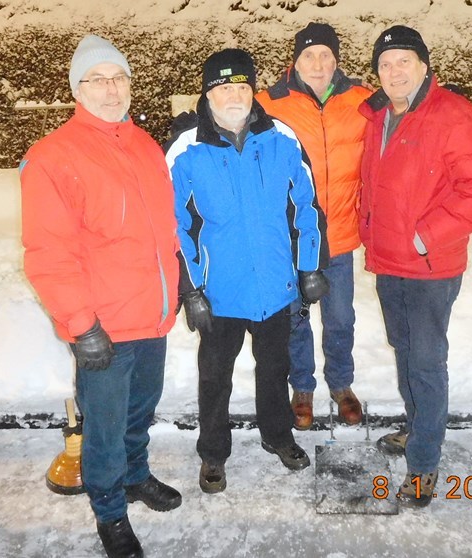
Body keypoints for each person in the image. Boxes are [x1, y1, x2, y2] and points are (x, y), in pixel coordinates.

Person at [20, 34, 181, 558]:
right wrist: (80, 324)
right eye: (98, 79)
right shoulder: (53, 156)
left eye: (119, 78)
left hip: (151, 315)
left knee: (141, 410)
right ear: (77, 89)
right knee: (105, 428)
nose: (111, 90)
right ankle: (110, 512)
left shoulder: (145, 145)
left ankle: (135, 475)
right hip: (102, 326)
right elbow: (49, 252)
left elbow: (164, 231)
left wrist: (178, 285)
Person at [165, 48, 329, 494]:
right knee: (215, 377)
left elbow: (307, 207)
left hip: (276, 285)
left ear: (253, 90)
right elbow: (174, 227)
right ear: (207, 94)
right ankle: (213, 452)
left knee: (274, 369)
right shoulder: (186, 150)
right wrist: (191, 291)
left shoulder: (281, 137)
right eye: (223, 87)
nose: (233, 95)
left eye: (241, 86)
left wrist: (310, 267)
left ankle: (278, 435)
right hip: (219, 292)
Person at [358, 25, 472, 507]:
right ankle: (418, 427)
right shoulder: (379, 116)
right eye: (385, 64)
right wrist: (370, 230)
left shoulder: (454, 115)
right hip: (389, 262)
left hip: (429, 266)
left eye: (403, 61)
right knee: (404, 353)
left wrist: (425, 236)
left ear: (423, 65)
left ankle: (423, 462)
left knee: (424, 361)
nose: (394, 71)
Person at [257, 22, 372, 430]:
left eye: (326, 55)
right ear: (296, 61)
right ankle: (302, 387)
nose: (318, 64)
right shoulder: (269, 103)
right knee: (295, 318)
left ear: (336, 60)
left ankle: (341, 384)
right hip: (292, 238)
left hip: (339, 234)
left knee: (340, 318)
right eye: (309, 55)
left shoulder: (363, 101)